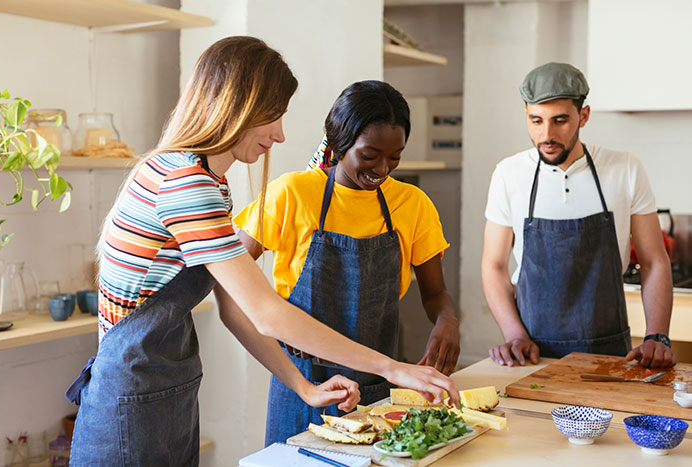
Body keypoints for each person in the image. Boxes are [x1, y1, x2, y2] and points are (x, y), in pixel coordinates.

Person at [64, 37, 459, 465]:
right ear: (236, 107)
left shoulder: (206, 181)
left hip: (164, 392)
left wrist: (304, 387)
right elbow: (265, 311)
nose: (280, 133)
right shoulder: (186, 184)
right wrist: (394, 368)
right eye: (272, 116)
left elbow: (235, 308)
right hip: (130, 402)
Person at [233, 80, 460, 444]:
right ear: (339, 144)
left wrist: (447, 319)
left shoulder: (412, 204)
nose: (383, 169)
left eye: (395, 157)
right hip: (303, 385)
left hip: (377, 385)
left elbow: (436, 293)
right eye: (370, 155)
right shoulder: (291, 194)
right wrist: (279, 323)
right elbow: (233, 281)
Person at [482, 62, 676, 369]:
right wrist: (514, 333)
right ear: (526, 115)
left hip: (610, 352)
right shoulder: (509, 174)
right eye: (536, 120)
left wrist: (658, 335)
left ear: (583, 116)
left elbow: (654, 260)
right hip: (531, 353)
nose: (546, 134)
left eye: (560, 121)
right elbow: (493, 265)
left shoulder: (625, 168)